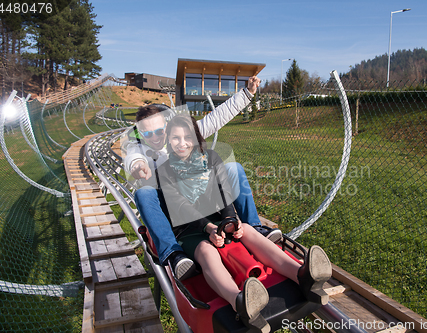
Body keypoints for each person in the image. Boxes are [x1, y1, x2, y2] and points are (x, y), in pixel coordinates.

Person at [157, 114, 332, 333]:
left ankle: (301, 274)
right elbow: (180, 206)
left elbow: (224, 193)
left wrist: (232, 220)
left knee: (247, 230)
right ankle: (238, 300)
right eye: (175, 138)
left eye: (187, 136)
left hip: (218, 221)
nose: (182, 143)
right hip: (190, 228)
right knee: (205, 250)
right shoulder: (164, 171)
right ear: (168, 141)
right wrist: (208, 228)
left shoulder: (210, 158)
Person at [123, 77, 282, 280]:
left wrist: (247, 94)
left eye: (159, 131)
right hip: (170, 206)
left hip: (197, 197)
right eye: (147, 133)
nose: (154, 137)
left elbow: (216, 118)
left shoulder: (180, 135)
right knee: (143, 193)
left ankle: (255, 226)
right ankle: (172, 252)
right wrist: (138, 166)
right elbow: (133, 158)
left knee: (233, 167)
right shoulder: (140, 149)